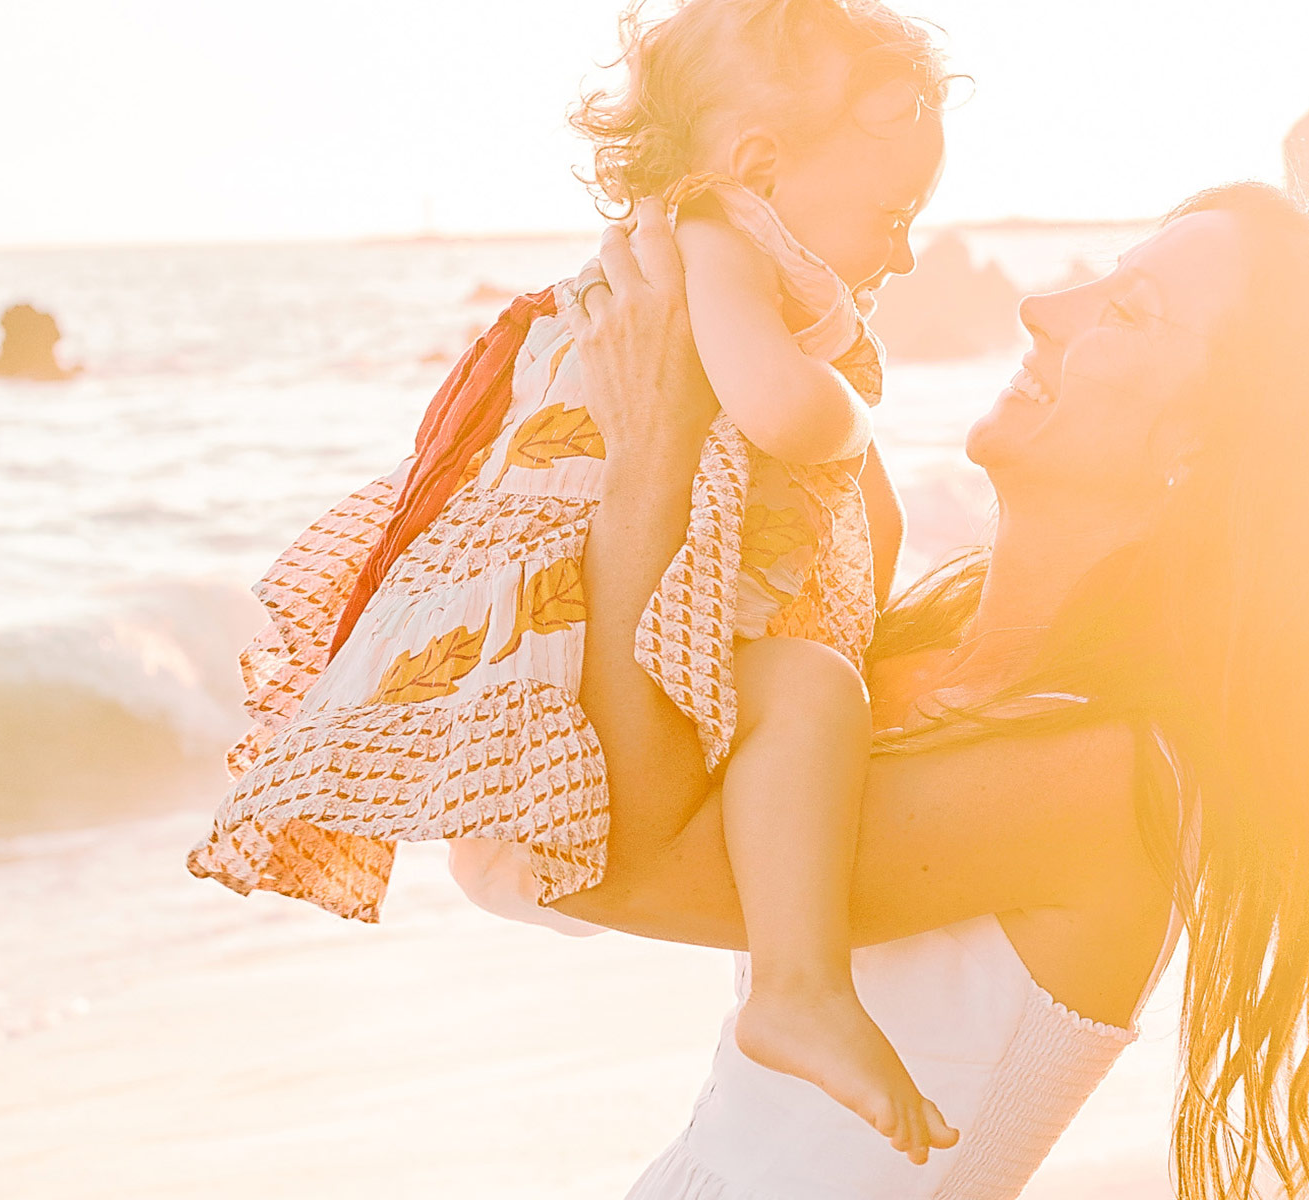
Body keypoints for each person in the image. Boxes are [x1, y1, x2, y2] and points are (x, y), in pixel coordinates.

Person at [547, 181, 1309, 1199]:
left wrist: (645, 453)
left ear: (1206, 450)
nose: (1043, 310)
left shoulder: (1105, 774)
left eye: (1128, 311)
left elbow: (610, 864)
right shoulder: (910, 642)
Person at [186, 0, 959, 1160]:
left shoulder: (692, 251)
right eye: (895, 212)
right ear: (756, 166)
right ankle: (797, 991)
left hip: (596, 671)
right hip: (578, 690)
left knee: (815, 684)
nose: (905, 252)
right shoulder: (716, 244)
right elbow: (793, 418)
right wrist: (851, 404)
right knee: (805, 692)